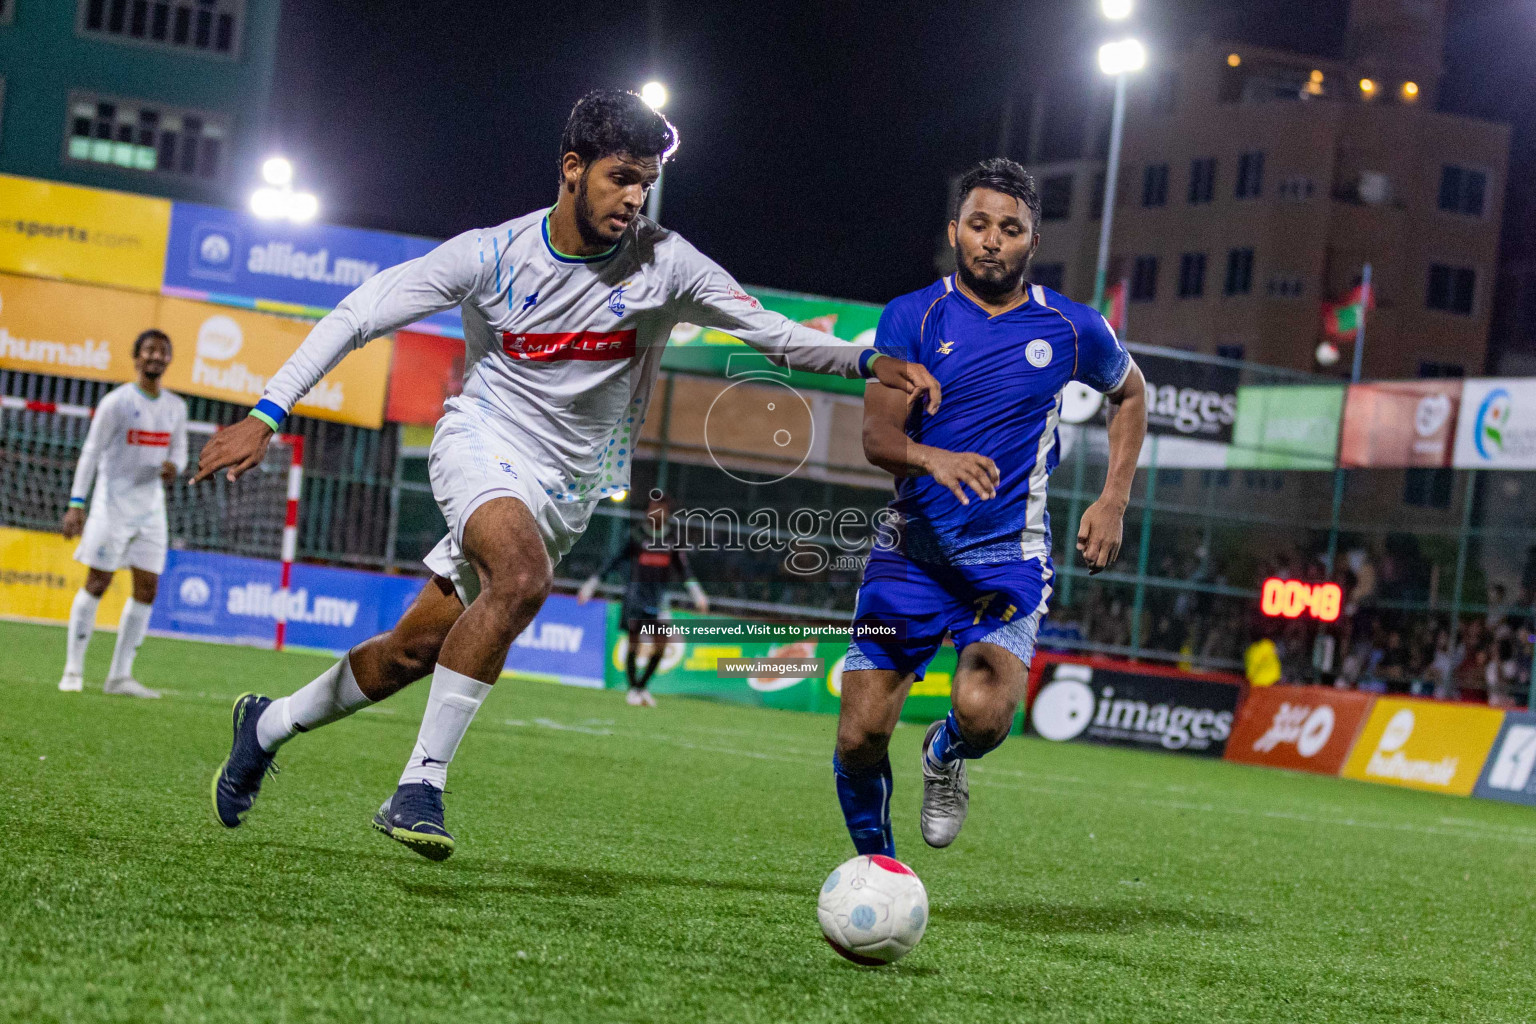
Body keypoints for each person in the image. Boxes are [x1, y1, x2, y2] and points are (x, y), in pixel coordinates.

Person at [196, 89, 941, 862]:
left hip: (569, 490)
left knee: (414, 652)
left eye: (645, 182)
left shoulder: (665, 262)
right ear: (572, 167)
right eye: (620, 177)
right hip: (480, 441)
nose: (633, 197)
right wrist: (268, 412)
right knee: (520, 580)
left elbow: (775, 336)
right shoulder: (491, 254)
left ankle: (267, 723)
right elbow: (359, 314)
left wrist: (868, 359)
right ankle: (420, 784)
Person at [831, 158, 1147, 856]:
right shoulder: (913, 315)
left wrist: (1113, 498)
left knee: (984, 718)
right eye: (979, 225)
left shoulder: (1072, 327)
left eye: (1010, 229)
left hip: (1009, 560)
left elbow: (1131, 392)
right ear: (955, 232)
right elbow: (878, 437)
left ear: (1033, 242)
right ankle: (878, 868)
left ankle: (945, 755)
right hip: (912, 555)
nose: (992, 240)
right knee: (859, 735)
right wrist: (930, 459)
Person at [57, 329, 187, 699]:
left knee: (148, 588)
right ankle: (73, 669)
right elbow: (91, 451)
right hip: (110, 506)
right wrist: (76, 503)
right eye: (149, 351)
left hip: (150, 509)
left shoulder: (176, 407)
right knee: (97, 582)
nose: (155, 358)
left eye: (162, 352)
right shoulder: (116, 402)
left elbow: (179, 453)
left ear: (168, 360)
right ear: (136, 358)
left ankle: (119, 676)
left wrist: (172, 468)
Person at [578, 491, 705, 706]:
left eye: (661, 508)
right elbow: (614, 560)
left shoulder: (672, 538)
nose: (656, 512)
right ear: (647, 511)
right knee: (634, 645)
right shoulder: (637, 535)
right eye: (653, 507)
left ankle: (640, 687)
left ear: (666, 512)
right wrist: (592, 584)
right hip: (635, 597)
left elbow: (684, 569)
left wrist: (697, 594)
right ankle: (634, 690)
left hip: (659, 600)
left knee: (661, 646)